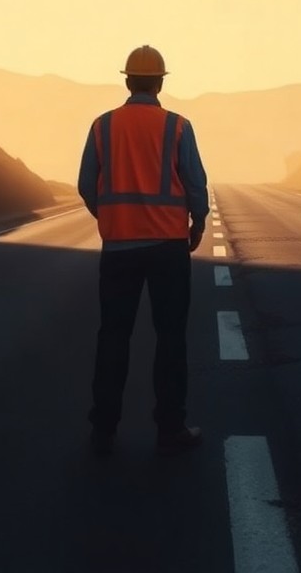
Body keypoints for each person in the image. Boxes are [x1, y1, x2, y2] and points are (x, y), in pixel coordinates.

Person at [77, 45, 209, 457]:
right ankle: (171, 426)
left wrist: (111, 217)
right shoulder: (178, 127)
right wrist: (197, 221)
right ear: (160, 82)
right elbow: (194, 184)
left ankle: (103, 429)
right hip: (169, 247)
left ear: (128, 80)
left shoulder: (102, 127)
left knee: (113, 336)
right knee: (170, 338)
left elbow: (86, 183)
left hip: (118, 248)